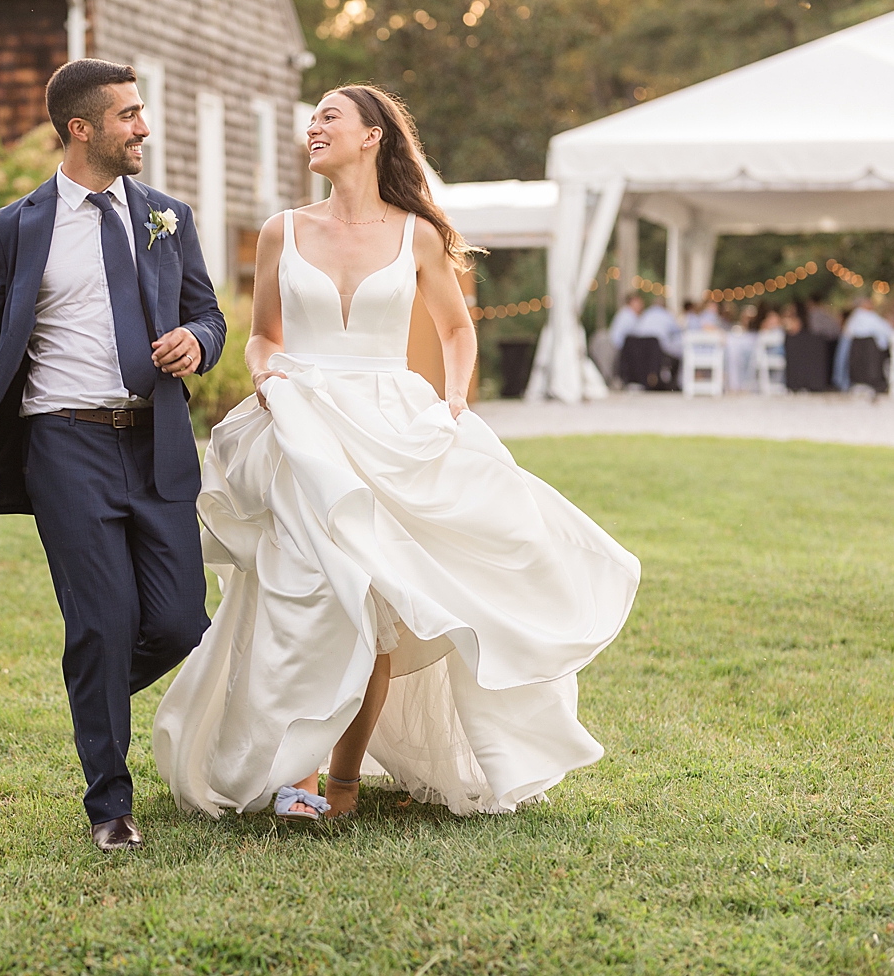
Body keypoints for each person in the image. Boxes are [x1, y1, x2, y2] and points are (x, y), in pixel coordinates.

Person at [152, 85, 640, 822]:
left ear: (372, 135)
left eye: (329, 117)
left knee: (378, 604)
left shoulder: (416, 235)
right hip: (305, 428)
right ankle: (299, 778)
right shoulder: (282, 230)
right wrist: (265, 373)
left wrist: (452, 401)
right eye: (311, 120)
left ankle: (340, 787)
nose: (312, 128)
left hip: (392, 425)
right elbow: (264, 333)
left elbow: (456, 330)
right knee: (310, 597)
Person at [0, 59, 226, 851]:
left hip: (157, 443)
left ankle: (93, 695)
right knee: (99, 623)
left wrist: (196, 343)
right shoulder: (17, 228)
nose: (145, 128)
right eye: (129, 115)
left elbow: (210, 315)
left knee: (175, 624)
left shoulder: (167, 217)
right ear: (81, 129)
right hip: (65, 446)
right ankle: (110, 805)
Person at [833, 298, 894, 391]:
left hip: (858, 351)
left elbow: (847, 333)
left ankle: (841, 381)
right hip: (869, 352)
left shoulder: (855, 318)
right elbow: (888, 332)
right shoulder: (870, 317)